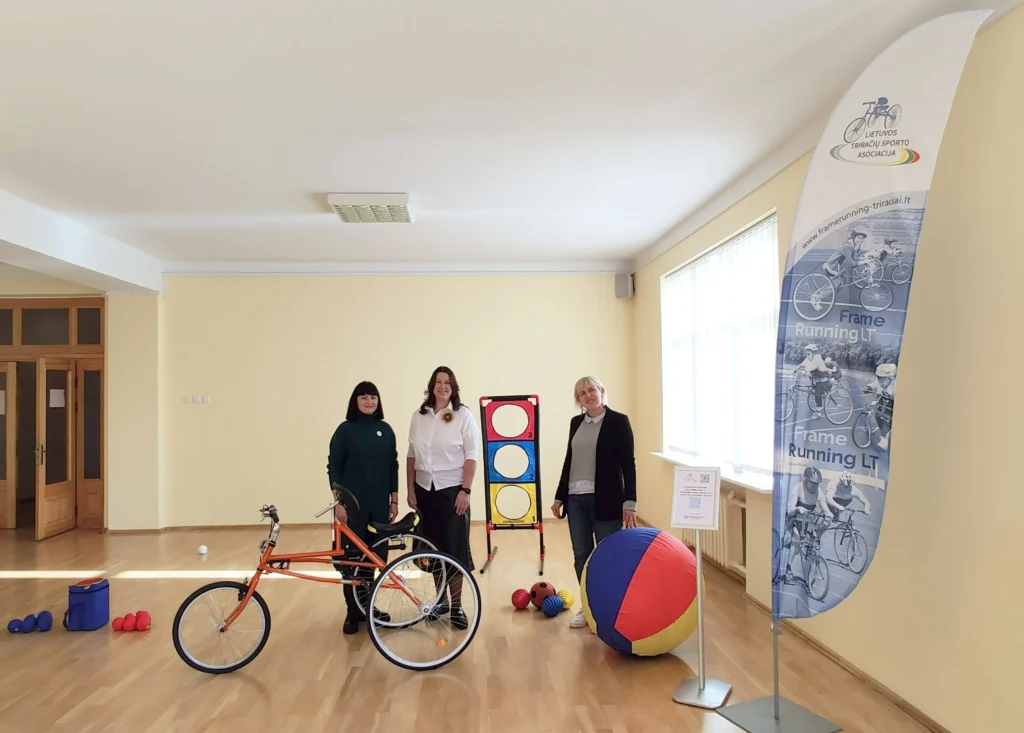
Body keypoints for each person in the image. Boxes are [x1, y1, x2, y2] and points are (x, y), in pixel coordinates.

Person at [551, 376, 637, 629]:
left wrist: (629, 501)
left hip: (607, 499)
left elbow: (628, 464)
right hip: (575, 499)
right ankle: (589, 607)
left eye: (592, 390)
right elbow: (570, 460)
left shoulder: (619, 422)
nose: (588, 395)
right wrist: (559, 495)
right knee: (581, 555)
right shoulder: (576, 423)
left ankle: (610, 608)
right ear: (578, 400)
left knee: (607, 555)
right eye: (582, 393)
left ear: (601, 391)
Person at [406, 366, 480, 631]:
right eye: (438, 382)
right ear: (432, 385)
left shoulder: (463, 415)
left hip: (452, 491)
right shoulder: (420, 415)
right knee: (432, 549)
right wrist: (410, 488)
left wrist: (466, 490)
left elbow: (472, 455)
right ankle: (440, 602)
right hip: (425, 489)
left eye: (447, 383)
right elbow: (412, 454)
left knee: (454, 549)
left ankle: (457, 605)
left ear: (454, 387)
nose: (442, 387)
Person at [327, 381, 399, 635]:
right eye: (364, 398)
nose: (370, 402)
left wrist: (394, 500)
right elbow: (333, 467)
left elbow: (393, 466)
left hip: (379, 506)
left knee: (374, 558)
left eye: (373, 398)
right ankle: (352, 611)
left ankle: (368, 606)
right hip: (352, 506)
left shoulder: (386, 430)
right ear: (355, 401)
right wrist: (338, 503)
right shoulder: (345, 431)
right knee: (351, 559)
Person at [865, 363, 896, 450]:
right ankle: (885, 435)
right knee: (878, 415)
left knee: (887, 419)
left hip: (892, 402)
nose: (880, 382)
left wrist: (890, 394)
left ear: (891, 379)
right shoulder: (879, 380)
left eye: (883, 380)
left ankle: (885, 438)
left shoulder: (895, 384)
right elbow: (874, 384)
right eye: (879, 379)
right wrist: (869, 387)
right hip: (883, 399)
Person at [795, 344, 830, 417]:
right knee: (814, 390)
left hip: (823, 380)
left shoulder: (817, 357)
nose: (807, 355)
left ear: (813, 353)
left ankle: (818, 412)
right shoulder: (809, 357)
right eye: (806, 353)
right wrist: (795, 369)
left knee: (817, 394)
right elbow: (802, 364)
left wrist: (805, 371)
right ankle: (823, 395)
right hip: (817, 378)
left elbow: (814, 366)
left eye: (808, 353)